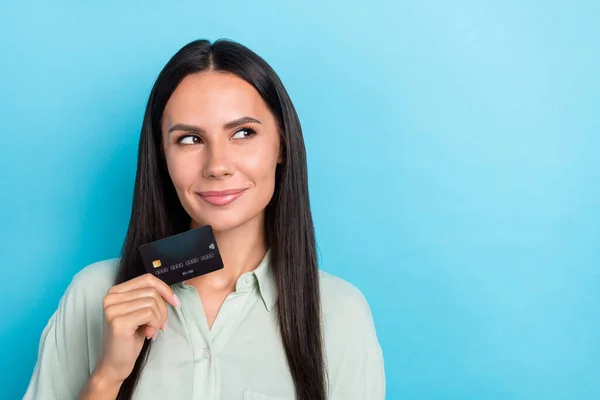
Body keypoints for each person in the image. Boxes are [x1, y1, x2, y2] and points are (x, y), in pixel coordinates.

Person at [23, 38, 385, 400]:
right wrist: (107, 378)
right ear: (162, 157)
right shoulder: (93, 296)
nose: (217, 166)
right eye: (190, 139)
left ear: (283, 144)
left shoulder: (340, 314)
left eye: (243, 133)